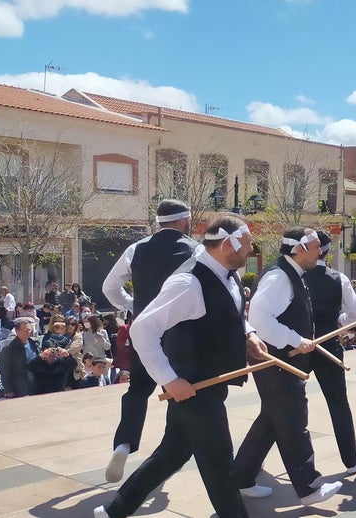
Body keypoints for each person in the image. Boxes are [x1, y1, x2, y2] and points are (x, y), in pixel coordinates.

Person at [95, 214, 265, 518]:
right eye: (247, 243)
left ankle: (113, 512)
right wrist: (169, 380)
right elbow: (142, 330)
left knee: (173, 453)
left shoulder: (227, 271)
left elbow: (229, 313)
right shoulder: (188, 283)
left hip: (210, 383)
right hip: (193, 387)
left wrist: (248, 334)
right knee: (220, 462)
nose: (250, 249)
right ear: (228, 244)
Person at [232, 227, 343, 505]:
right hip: (277, 362)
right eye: (316, 247)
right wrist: (296, 339)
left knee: (271, 420)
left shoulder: (293, 272)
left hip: (282, 360)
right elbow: (258, 318)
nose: (321, 252)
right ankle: (309, 488)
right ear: (299, 249)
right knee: (294, 420)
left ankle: (241, 477)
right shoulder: (280, 276)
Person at [100, 200, 198, 484]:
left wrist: (134, 306)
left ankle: (124, 444)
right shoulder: (196, 250)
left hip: (144, 330)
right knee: (177, 390)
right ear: (184, 221)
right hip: (180, 333)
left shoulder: (136, 248)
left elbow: (109, 287)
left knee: (138, 389)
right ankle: (166, 455)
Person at [301, 231, 356, 476]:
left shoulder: (295, 277)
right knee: (338, 403)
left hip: (299, 347)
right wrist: (338, 321)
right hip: (329, 346)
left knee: (283, 403)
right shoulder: (338, 278)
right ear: (328, 252)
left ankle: (255, 462)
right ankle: (350, 460)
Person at [0, 317, 39, 398]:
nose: (29, 332)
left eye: (29, 330)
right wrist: (8, 389)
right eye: (26, 330)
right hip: (19, 388)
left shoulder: (34, 344)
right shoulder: (9, 348)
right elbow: (4, 371)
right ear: (17, 331)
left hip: (35, 386)